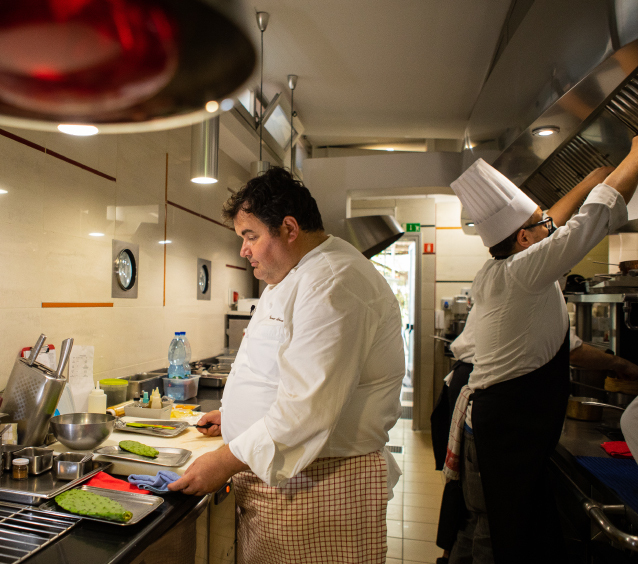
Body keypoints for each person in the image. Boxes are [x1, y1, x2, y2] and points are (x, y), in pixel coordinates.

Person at [168, 166, 405, 564]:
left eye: (250, 236)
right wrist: (234, 418)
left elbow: (306, 410)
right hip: (288, 479)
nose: (244, 250)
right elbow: (277, 370)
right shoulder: (296, 275)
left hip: (319, 486)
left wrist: (225, 461)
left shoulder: (334, 282)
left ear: (290, 229)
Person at [445, 141, 638, 564]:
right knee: (494, 537)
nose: (550, 225)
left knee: (482, 527)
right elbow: (592, 220)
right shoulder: (524, 272)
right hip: (504, 432)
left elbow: (555, 220)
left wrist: (591, 179)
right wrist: (635, 158)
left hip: (500, 428)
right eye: (541, 224)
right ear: (524, 238)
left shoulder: (507, 270)